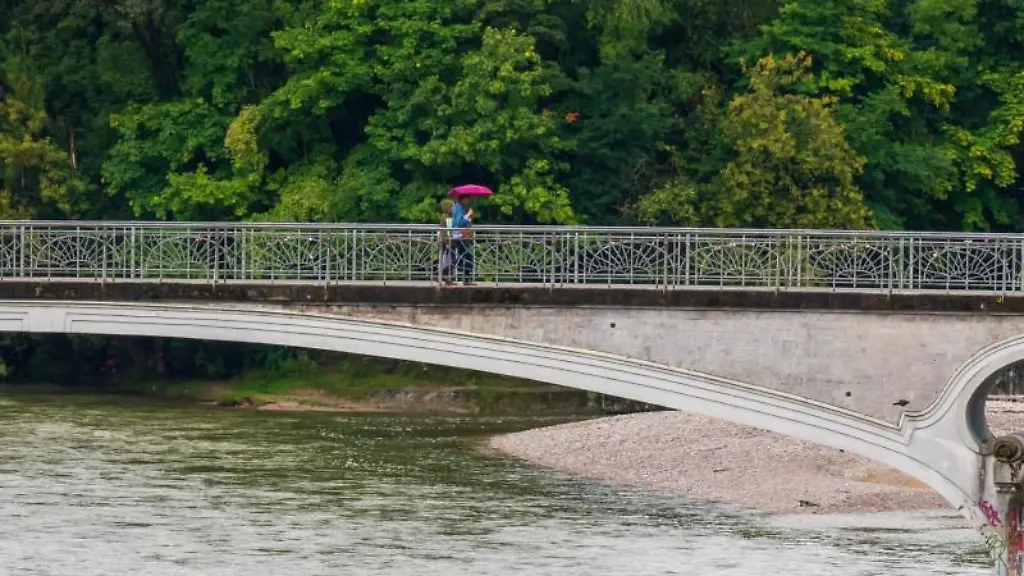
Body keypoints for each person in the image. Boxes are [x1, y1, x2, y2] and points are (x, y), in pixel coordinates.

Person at [450, 194, 475, 285]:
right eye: (468, 198)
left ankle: (464, 278)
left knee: (463, 256)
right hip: (460, 236)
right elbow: (459, 222)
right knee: (466, 256)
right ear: (463, 199)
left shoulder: (459, 207)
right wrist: (468, 215)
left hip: (460, 235)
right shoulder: (459, 208)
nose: (469, 200)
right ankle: (464, 278)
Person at [438, 199, 455, 285]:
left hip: (449, 241)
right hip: (446, 242)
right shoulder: (445, 217)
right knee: (448, 260)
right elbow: (443, 231)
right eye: (452, 206)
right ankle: (444, 276)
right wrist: (446, 241)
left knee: (450, 260)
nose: (454, 208)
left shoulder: (449, 217)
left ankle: (448, 278)